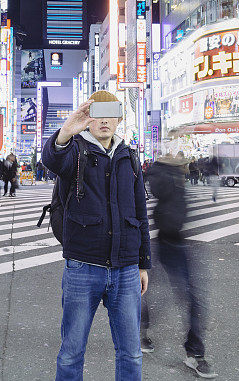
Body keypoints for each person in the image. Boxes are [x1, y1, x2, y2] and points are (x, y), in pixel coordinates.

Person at [42, 91, 151, 381]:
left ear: (119, 117)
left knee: (131, 353)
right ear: (87, 118)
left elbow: (140, 213)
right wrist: (67, 129)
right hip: (83, 265)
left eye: (110, 112)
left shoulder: (129, 156)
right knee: (71, 352)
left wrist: (142, 264)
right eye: (96, 113)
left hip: (126, 268)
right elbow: (51, 160)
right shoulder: (75, 151)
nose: (104, 120)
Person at [145, 153, 216, 378]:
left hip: (176, 241)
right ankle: (193, 353)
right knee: (181, 296)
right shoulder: (166, 177)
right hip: (168, 241)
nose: (190, 165)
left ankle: (194, 352)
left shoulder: (174, 177)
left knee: (185, 297)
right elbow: (160, 195)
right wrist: (168, 168)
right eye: (185, 162)